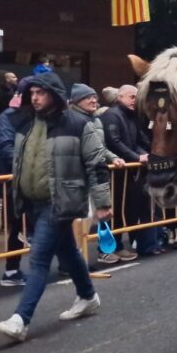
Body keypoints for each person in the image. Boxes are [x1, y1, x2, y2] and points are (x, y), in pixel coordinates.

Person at [0, 72, 112, 342]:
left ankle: (20, 319)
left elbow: (96, 163)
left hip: (59, 202)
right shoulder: (27, 123)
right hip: (33, 202)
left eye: (40, 93)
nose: (34, 98)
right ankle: (88, 296)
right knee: (68, 252)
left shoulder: (79, 124)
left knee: (39, 259)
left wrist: (103, 203)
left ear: (54, 95)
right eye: (32, 93)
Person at [69, 84, 127, 264]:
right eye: (89, 98)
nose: (94, 101)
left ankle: (98, 253)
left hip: (92, 177)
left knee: (96, 216)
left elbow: (99, 149)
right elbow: (90, 154)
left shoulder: (96, 120)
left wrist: (113, 157)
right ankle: (75, 260)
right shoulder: (72, 121)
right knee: (79, 221)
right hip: (77, 179)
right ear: (77, 100)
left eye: (95, 97)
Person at [101, 85, 155, 257]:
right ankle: (106, 249)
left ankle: (117, 246)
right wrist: (137, 157)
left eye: (136, 97)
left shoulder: (131, 117)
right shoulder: (111, 115)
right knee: (112, 211)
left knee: (125, 211)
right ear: (120, 97)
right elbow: (114, 142)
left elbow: (137, 141)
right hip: (114, 172)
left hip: (127, 173)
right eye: (131, 97)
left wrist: (147, 154)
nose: (135, 100)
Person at [0, 78, 32, 287]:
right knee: (17, 225)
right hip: (16, 180)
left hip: (39, 178)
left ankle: (65, 263)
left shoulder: (43, 115)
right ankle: (12, 269)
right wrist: (28, 167)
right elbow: (5, 147)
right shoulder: (8, 117)